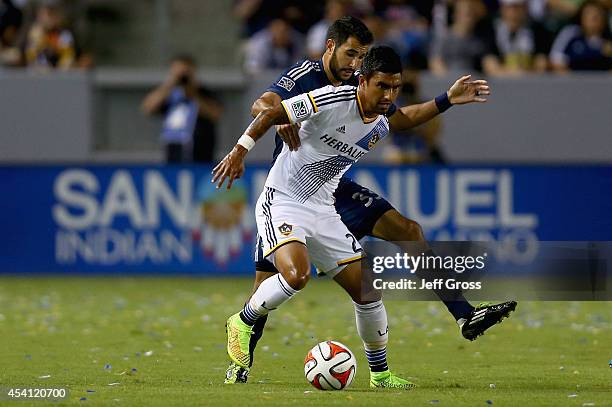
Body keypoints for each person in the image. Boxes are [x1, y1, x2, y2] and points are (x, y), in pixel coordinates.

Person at [223, 15, 516, 385]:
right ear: (331, 47)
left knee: (375, 277)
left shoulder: (378, 110)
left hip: (328, 198)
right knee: (285, 278)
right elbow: (266, 106)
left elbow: (403, 117)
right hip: (284, 196)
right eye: (351, 54)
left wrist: (447, 100)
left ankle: (391, 367)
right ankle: (242, 340)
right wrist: (249, 142)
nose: (354, 62)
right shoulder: (317, 86)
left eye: (361, 56)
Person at [141, 54, 223, 163]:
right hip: (173, 153)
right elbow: (148, 108)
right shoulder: (169, 94)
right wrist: (170, 84)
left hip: (201, 156)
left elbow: (215, 114)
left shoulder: (204, 93)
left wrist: (192, 93)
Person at [549, 0, 612, 72]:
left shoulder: (608, 39)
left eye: (597, 15)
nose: (593, 18)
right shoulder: (570, 33)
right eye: (588, 14)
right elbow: (556, 60)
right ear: (581, 16)